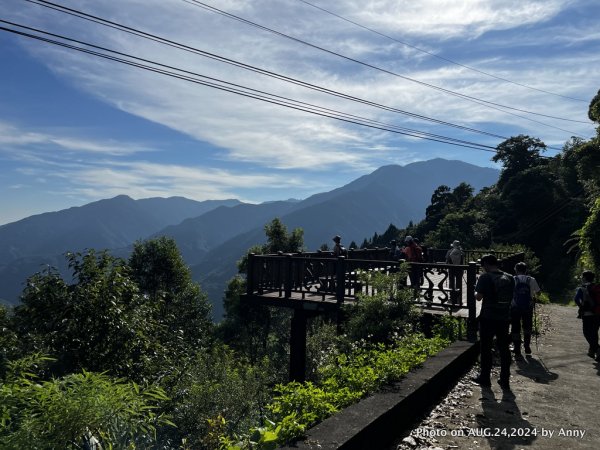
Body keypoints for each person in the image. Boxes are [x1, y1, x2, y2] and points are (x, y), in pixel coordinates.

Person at [472, 254, 515, 389]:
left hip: (488, 317)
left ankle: (485, 378)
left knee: (486, 348)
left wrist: (474, 291)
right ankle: (505, 379)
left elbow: (478, 297)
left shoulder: (485, 277)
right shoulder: (510, 277)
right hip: (504, 317)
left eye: (482, 265)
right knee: (504, 348)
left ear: (486, 264)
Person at [510, 262, 541, 360]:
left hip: (515, 306)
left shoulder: (512, 279)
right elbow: (539, 293)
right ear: (526, 270)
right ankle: (527, 346)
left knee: (515, 328)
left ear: (515, 269)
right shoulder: (531, 280)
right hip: (528, 307)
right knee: (527, 326)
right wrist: (533, 297)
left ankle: (517, 350)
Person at [574, 270, 600, 360]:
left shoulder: (582, 288)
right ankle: (592, 351)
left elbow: (576, 299)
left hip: (587, 314)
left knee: (587, 333)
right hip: (597, 313)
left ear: (584, 278)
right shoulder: (596, 287)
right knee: (594, 332)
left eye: (582, 277)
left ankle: (597, 349)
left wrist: (581, 307)